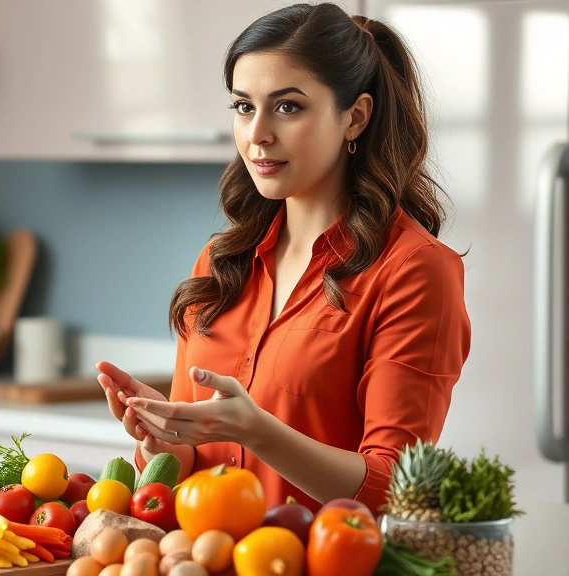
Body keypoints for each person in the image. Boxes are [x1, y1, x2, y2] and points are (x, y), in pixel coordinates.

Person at [96, 2, 471, 515]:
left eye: (288, 107)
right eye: (244, 107)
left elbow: (396, 491)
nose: (257, 135)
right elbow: (193, 471)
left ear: (354, 117)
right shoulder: (221, 262)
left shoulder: (414, 271)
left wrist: (258, 432)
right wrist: (165, 436)